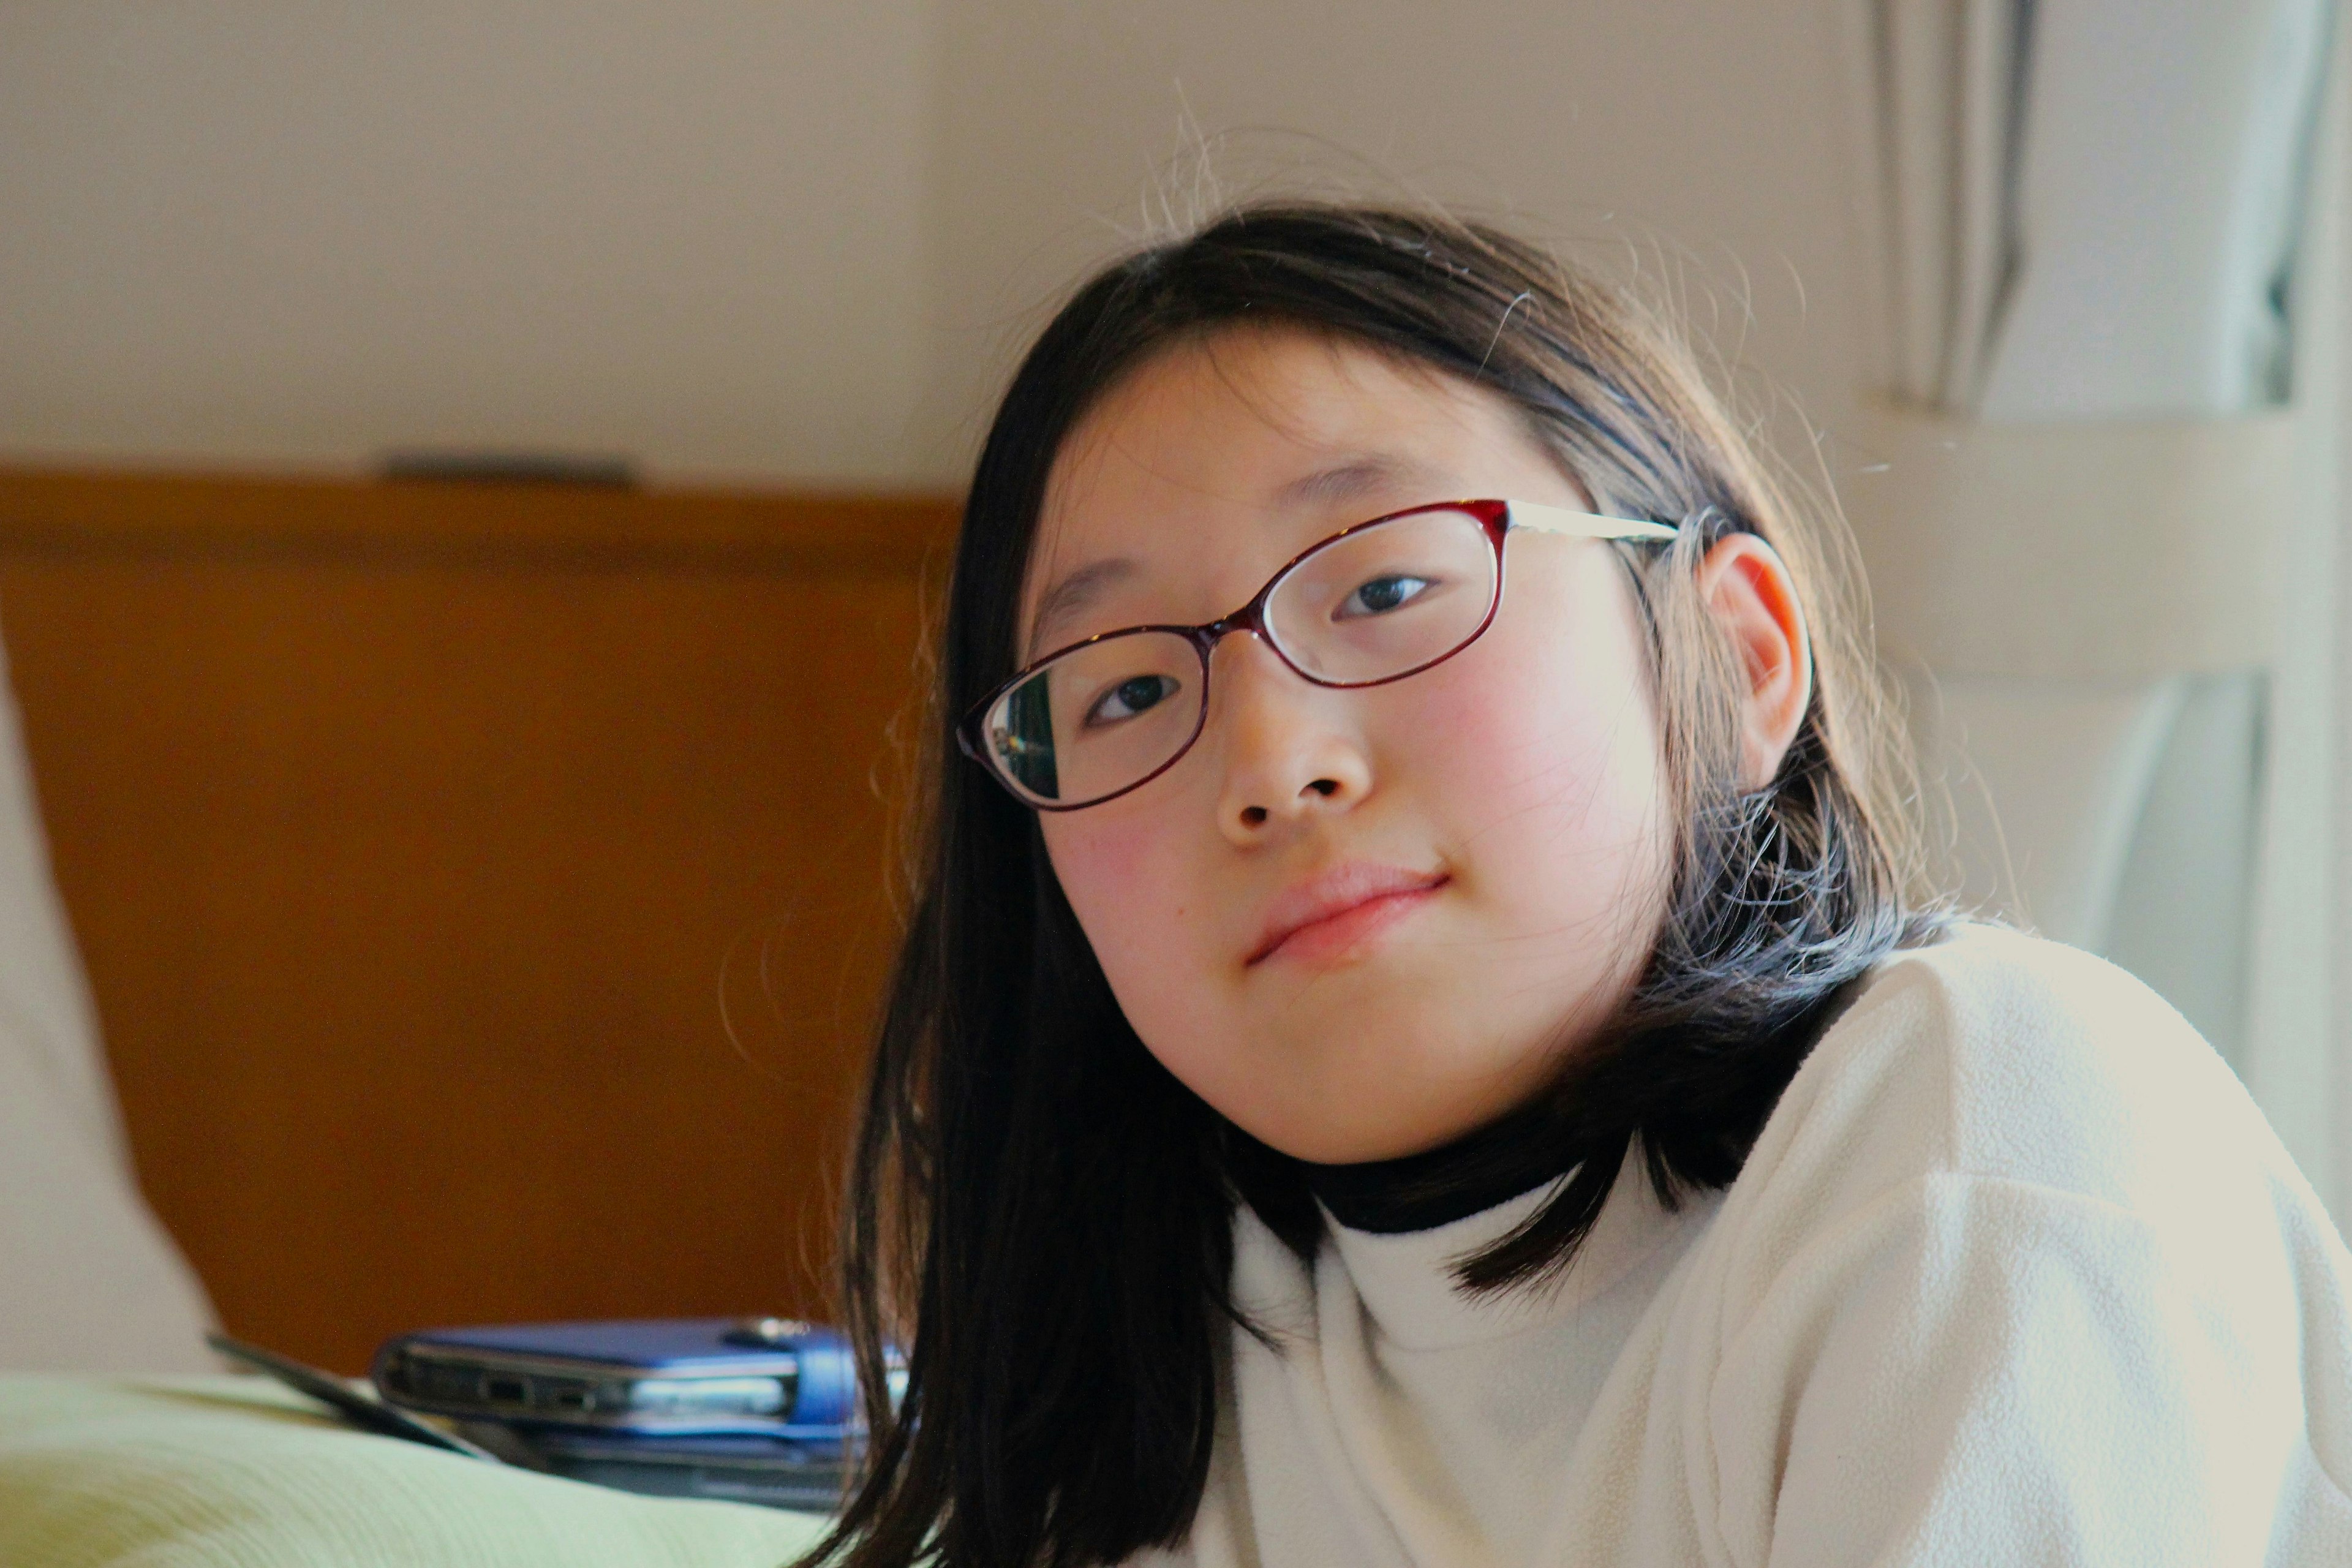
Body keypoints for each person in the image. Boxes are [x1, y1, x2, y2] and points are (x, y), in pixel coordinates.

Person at [806, 203, 2352, 1567]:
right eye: (1125, 693)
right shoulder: (1187, 1346)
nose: (1273, 763)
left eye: (1389, 584)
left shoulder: (1977, 1124)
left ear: (1740, 658)